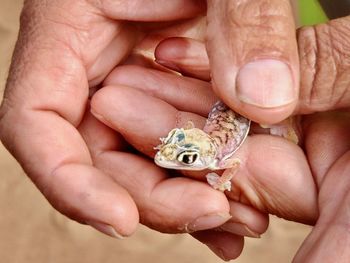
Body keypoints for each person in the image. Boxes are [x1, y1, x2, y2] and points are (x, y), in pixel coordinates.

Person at [0, 0, 349, 261]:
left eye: (180, 154)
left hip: (253, 99)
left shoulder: (220, 155)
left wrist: (294, 69)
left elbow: (234, 164)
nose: (171, 158)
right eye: (174, 148)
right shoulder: (212, 149)